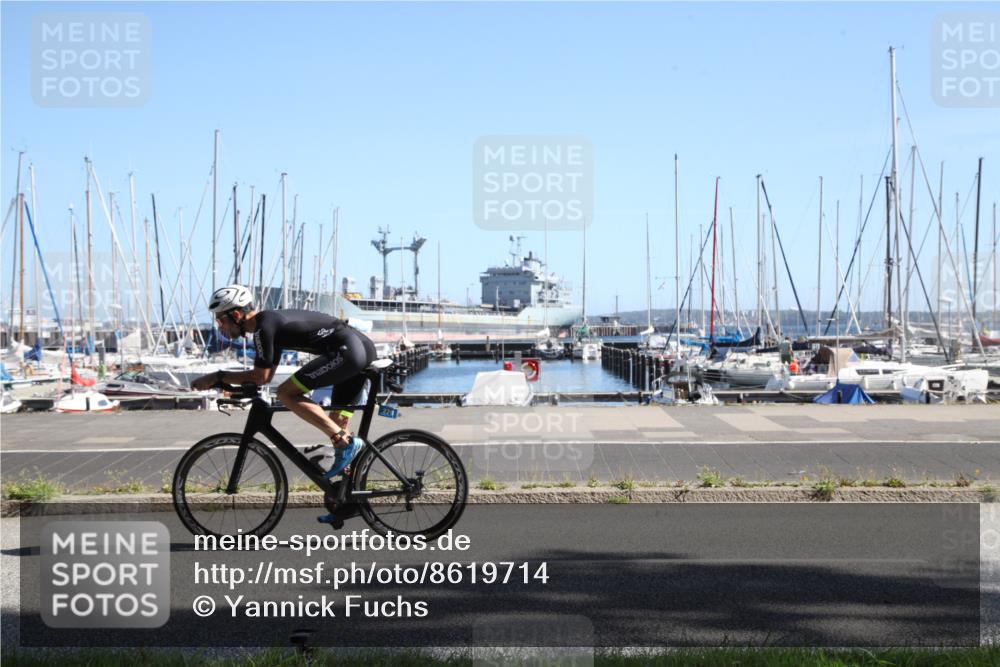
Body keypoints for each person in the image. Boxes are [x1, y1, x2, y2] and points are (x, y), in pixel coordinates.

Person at [191, 284, 377, 477]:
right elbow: (265, 376)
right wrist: (227, 381)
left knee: (286, 393)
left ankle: (342, 442)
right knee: (337, 422)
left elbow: (260, 377)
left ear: (236, 315)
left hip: (349, 352)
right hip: (359, 347)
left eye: (220, 321)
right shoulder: (270, 324)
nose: (220, 327)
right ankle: (348, 489)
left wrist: (217, 376)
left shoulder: (264, 328)